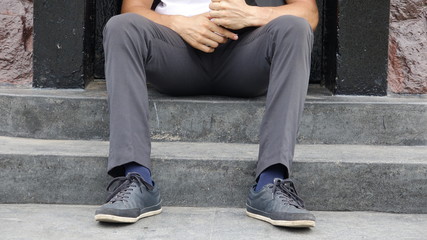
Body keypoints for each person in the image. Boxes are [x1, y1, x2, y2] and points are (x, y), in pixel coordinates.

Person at [94, 0, 318, 228]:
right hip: (175, 52)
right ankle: (136, 178)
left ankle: (272, 182)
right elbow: (133, 8)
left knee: (296, 28)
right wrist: (176, 23)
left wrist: (252, 15)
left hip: (247, 53)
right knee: (120, 27)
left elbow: (308, 12)